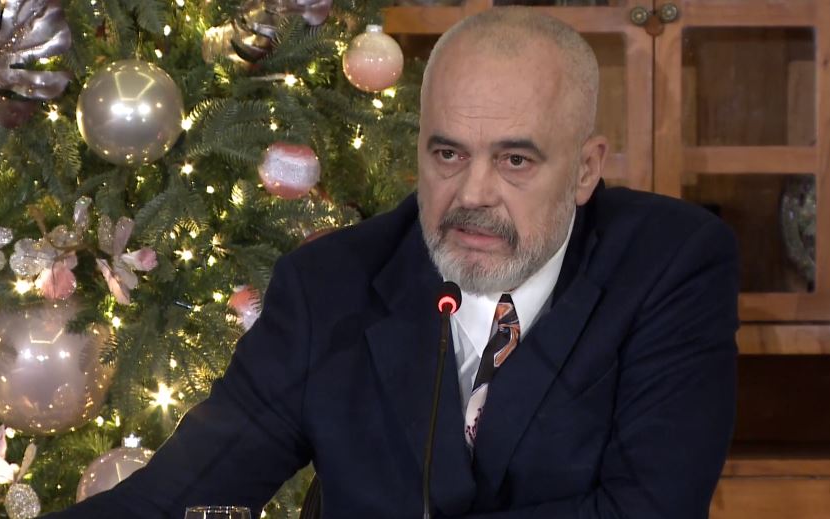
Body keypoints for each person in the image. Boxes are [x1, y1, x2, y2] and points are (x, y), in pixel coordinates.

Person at [48, 7, 738, 518]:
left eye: (514, 160)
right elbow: (179, 495)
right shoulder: (329, 285)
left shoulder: (669, 264)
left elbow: (649, 508)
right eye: (448, 154)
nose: (472, 195)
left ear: (586, 169)